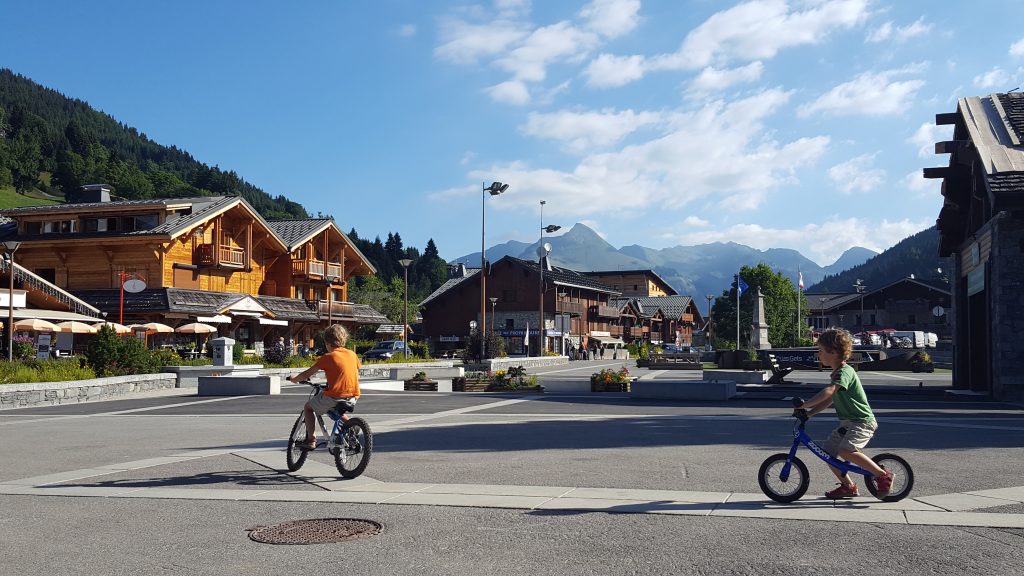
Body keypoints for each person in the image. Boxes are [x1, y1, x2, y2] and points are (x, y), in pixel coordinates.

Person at [798, 327, 894, 499]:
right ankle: (848, 487)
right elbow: (830, 400)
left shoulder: (844, 372)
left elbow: (829, 392)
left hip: (862, 421)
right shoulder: (836, 373)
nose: (818, 354)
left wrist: (805, 404)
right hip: (848, 423)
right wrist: (809, 413)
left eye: (820, 351)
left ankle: (882, 475)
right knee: (828, 454)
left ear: (833, 352)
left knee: (846, 450)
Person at [286, 325, 360, 451]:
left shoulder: (328, 357)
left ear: (327, 342)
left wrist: (294, 378)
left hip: (335, 395)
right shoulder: (352, 355)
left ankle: (311, 440)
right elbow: (349, 373)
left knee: (309, 407)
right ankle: (350, 425)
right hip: (353, 396)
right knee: (333, 409)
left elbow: (307, 374)